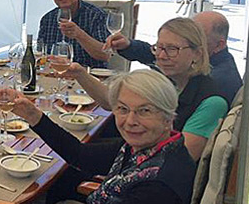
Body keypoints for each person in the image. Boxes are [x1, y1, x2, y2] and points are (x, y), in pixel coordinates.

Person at [0, 70, 196, 204]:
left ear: (169, 116)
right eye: (123, 109)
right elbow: (79, 155)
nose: (130, 121)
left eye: (145, 110)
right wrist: (32, 115)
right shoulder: (150, 148)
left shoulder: (159, 184)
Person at [72, 17, 227, 160]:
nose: (161, 56)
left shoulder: (211, 102)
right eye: (158, 47)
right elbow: (111, 101)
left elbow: (179, 159)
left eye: (172, 49)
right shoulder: (169, 79)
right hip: (134, 155)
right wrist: (79, 73)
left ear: (197, 53)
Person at [106, 11, 242, 106]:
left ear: (219, 45)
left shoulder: (214, 82)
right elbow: (156, 55)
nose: (163, 56)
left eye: (196, 35)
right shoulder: (192, 63)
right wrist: (128, 45)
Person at [37, 0, 110, 68]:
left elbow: (105, 55)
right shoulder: (47, 19)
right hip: (56, 75)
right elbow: (41, 55)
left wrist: (79, 34)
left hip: (89, 78)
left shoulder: (97, 16)